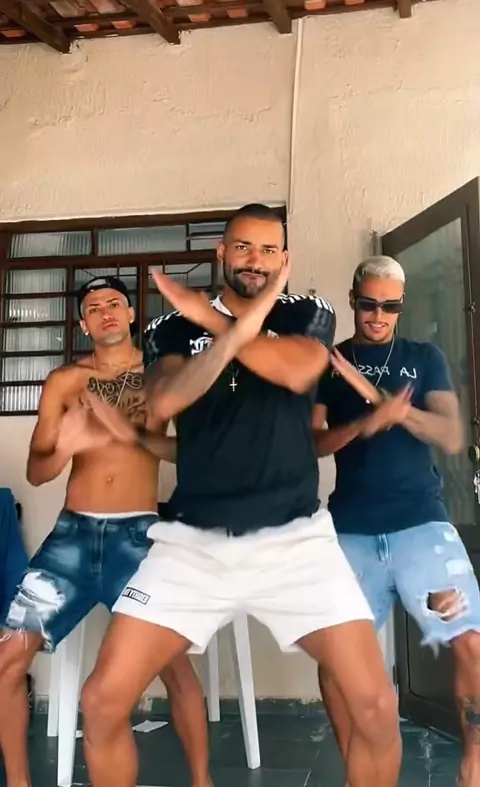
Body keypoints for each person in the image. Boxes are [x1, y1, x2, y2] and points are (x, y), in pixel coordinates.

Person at [79, 204, 401, 787]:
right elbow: (167, 401)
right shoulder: (170, 327)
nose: (256, 260)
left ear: (284, 258)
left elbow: (298, 372)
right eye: (244, 247)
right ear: (222, 252)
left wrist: (213, 320)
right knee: (102, 701)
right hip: (191, 545)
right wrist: (223, 331)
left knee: (376, 707)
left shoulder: (306, 310)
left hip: (295, 541)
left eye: (268, 249)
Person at [0, 276, 211, 787]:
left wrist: (132, 435)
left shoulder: (164, 375)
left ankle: (202, 781)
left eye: (114, 303)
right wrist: (67, 446)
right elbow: (36, 471)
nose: (106, 312)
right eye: (93, 308)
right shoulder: (65, 382)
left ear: (133, 314)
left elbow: (201, 452)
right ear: (82, 324)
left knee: (175, 665)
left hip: (139, 541)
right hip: (70, 543)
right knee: (7, 661)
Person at [315, 254, 480, 787]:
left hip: (421, 526)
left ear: (401, 306)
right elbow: (312, 443)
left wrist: (386, 404)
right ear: (353, 299)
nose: (378, 316)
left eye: (390, 307)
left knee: (472, 644)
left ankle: (474, 765)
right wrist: (366, 423)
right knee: (335, 661)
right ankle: (355, 771)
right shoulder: (328, 362)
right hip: (352, 531)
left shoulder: (422, 357)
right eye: (368, 304)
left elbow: (450, 435)